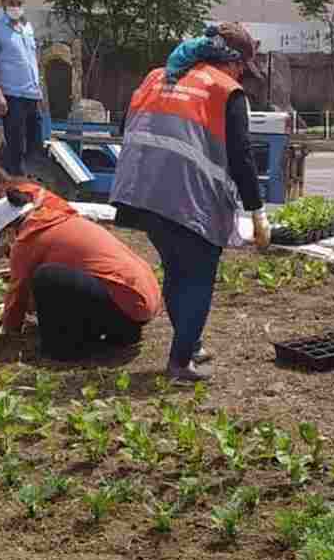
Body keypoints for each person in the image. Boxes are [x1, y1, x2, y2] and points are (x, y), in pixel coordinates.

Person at [112, 22, 272, 382]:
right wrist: (257, 212)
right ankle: (180, 362)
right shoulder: (225, 90)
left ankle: (191, 341)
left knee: (176, 268)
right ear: (232, 62)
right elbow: (241, 157)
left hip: (139, 191)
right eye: (244, 69)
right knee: (198, 275)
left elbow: (127, 125)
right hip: (186, 197)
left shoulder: (157, 76)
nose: (243, 77)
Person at [0, 182, 162, 359]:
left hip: (127, 306)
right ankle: (122, 333)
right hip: (139, 302)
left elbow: (18, 291)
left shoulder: (28, 239)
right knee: (55, 278)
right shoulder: (58, 219)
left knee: (46, 277)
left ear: (10, 229)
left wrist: (8, 327)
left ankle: (64, 349)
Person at [0, 0, 44, 175]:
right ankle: (14, 188)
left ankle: (29, 184)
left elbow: (32, 60)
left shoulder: (27, 27)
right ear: (3, 3)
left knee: (35, 147)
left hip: (32, 95)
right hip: (12, 95)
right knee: (16, 147)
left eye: (19, 3)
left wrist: (39, 91)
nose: (15, 7)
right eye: (11, 3)